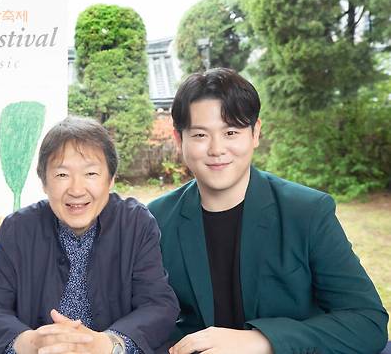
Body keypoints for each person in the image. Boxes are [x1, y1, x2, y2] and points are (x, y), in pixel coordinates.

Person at [148, 68, 389, 354]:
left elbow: (367, 322)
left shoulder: (307, 212)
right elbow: (145, 316)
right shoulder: (156, 220)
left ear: (255, 133)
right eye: (200, 134)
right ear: (179, 140)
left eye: (231, 132)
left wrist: (263, 341)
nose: (217, 149)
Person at [0, 116, 179, 354]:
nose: (77, 190)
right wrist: (30, 342)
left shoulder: (135, 222)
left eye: (90, 173)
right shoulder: (19, 228)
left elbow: (158, 305)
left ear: (110, 180)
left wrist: (109, 344)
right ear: (44, 182)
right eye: (62, 175)